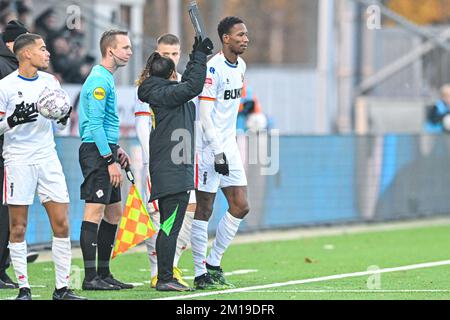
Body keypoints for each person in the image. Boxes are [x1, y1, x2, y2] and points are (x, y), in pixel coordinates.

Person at [0, 33, 84, 300]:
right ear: (26, 54)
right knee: (18, 228)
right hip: (18, 160)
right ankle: (24, 289)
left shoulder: (50, 81)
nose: (47, 54)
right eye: (42, 49)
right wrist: (12, 120)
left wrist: (62, 117)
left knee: (61, 224)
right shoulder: (5, 86)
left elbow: (59, 116)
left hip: (48, 158)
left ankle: (62, 289)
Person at [137, 35, 213, 291]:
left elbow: (190, 82)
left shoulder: (159, 91)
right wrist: (200, 57)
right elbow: (193, 86)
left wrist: (195, 54)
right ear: (171, 76)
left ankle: (165, 274)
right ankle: (165, 277)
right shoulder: (170, 94)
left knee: (169, 225)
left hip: (169, 170)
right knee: (169, 226)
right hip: (173, 171)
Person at [192, 16, 250, 290]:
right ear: (226, 38)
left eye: (245, 34)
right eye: (239, 34)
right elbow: (204, 114)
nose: (245, 38)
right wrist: (216, 152)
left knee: (240, 205)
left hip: (229, 144)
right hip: (208, 147)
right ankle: (199, 272)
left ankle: (214, 262)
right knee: (204, 209)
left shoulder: (241, 66)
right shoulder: (211, 69)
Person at [78, 30, 134, 291]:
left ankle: (104, 272)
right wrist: (109, 159)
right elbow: (95, 125)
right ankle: (90, 278)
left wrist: (116, 149)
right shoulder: (99, 80)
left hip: (106, 149)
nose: (129, 52)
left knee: (114, 213)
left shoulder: (106, 78)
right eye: (125, 47)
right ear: (110, 50)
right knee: (95, 211)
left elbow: (104, 126)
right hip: (96, 152)